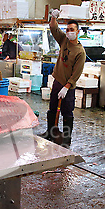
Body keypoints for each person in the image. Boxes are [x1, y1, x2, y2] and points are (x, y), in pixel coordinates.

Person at [38, 10, 86, 148]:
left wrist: (67, 86)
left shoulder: (80, 52)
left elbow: (77, 72)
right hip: (57, 81)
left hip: (68, 87)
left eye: (72, 30)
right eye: (68, 29)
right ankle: (50, 132)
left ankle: (66, 139)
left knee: (67, 113)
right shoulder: (64, 40)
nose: (69, 32)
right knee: (52, 109)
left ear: (77, 32)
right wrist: (53, 17)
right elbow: (53, 28)